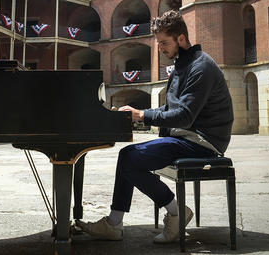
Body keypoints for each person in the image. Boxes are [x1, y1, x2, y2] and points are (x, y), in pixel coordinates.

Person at [77, 10, 234, 243]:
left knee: (130, 158)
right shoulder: (182, 65)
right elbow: (168, 109)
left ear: (181, 38)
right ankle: (114, 223)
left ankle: (176, 212)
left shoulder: (201, 67)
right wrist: (136, 113)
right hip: (187, 137)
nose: (160, 48)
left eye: (164, 43)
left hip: (204, 141)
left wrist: (141, 115)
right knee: (127, 155)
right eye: (157, 43)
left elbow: (184, 116)